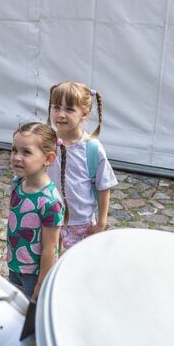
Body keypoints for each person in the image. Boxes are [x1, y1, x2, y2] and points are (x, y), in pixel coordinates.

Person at [47, 82, 118, 250]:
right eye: (56, 107)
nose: (61, 114)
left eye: (69, 109)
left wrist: (101, 222)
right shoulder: (46, 143)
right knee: (51, 265)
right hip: (48, 218)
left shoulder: (92, 149)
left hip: (81, 224)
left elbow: (103, 186)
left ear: (84, 113)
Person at [6, 123, 65, 300]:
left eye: (26, 152)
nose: (17, 157)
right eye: (14, 150)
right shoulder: (17, 183)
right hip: (14, 264)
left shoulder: (49, 202)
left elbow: (50, 249)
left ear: (48, 159)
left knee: (31, 314)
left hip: (34, 274)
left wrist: (42, 283)